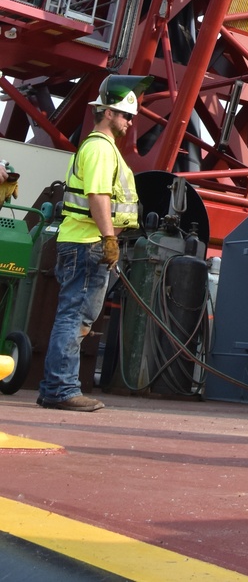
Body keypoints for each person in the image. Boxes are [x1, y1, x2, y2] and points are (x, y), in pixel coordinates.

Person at [37, 74, 147, 412]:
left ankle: (55, 386)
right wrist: (109, 239)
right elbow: (98, 196)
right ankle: (60, 389)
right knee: (74, 317)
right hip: (88, 243)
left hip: (84, 241)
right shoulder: (100, 148)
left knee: (78, 317)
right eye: (126, 115)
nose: (131, 122)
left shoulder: (100, 147)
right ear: (108, 113)